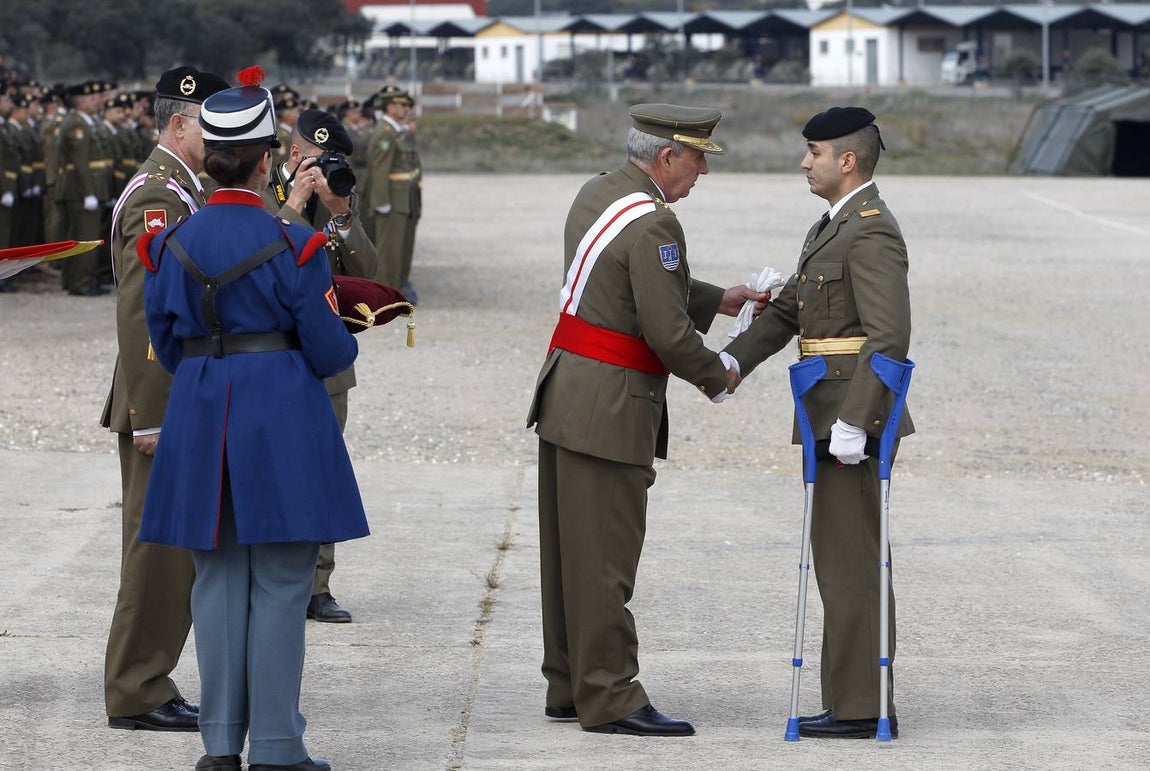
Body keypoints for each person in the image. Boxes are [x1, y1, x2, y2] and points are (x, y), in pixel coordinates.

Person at [138, 66, 369, 771]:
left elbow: (167, 342)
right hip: (280, 418)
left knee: (215, 581)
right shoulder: (294, 243)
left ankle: (218, 745)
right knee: (280, 581)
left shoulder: (170, 242)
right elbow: (330, 349)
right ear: (267, 158)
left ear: (210, 158)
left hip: (204, 409)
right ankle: (274, 745)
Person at [525, 103, 767, 737]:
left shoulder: (600, 193)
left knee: (568, 553)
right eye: (697, 161)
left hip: (567, 391)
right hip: (610, 407)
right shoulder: (657, 225)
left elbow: (629, 280)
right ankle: (610, 696)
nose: (701, 175)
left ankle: (569, 683)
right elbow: (665, 329)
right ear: (667, 157)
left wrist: (722, 298)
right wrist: (722, 374)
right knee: (604, 557)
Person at [723, 106, 913, 739]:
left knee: (851, 560)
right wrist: (728, 364)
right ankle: (855, 698)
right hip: (825, 415)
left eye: (814, 152)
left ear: (847, 160)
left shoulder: (870, 229)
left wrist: (859, 420)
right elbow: (788, 315)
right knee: (838, 559)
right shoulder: (829, 227)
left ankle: (863, 707)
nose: (805, 162)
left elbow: (888, 336)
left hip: (851, 423)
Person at [101, 65, 229, 733]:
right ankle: (136, 686)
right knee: (156, 549)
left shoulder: (185, 189)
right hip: (161, 404)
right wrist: (153, 413)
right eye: (211, 122)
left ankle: (148, 677)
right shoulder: (161, 196)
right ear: (180, 123)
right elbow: (145, 313)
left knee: (170, 546)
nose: (220, 135)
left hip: (176, 399)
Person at [261, 107, 379, 623]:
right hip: (272, 353)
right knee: (271, 464)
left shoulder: (341, 194)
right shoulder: (260, 188)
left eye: (331, 160)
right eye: (315, 158)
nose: (324, 167)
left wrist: (341, 214)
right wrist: (296, 202)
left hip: (327, 356)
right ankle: (270, 573)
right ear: (292, 154)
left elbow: (372, 270)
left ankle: (318, 585)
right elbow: (262, 258)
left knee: (325, 465)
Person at [367, 85, 420, 300]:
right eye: (400, 104)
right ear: (389, 107)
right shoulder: (385, 134)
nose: (404, 108)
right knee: (389, 252)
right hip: (391, 200)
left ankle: (395, 291)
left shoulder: (394, 131)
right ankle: (384, 296)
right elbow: (380, 170)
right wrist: (381, 201)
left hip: (401, 199)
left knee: (398, 250)